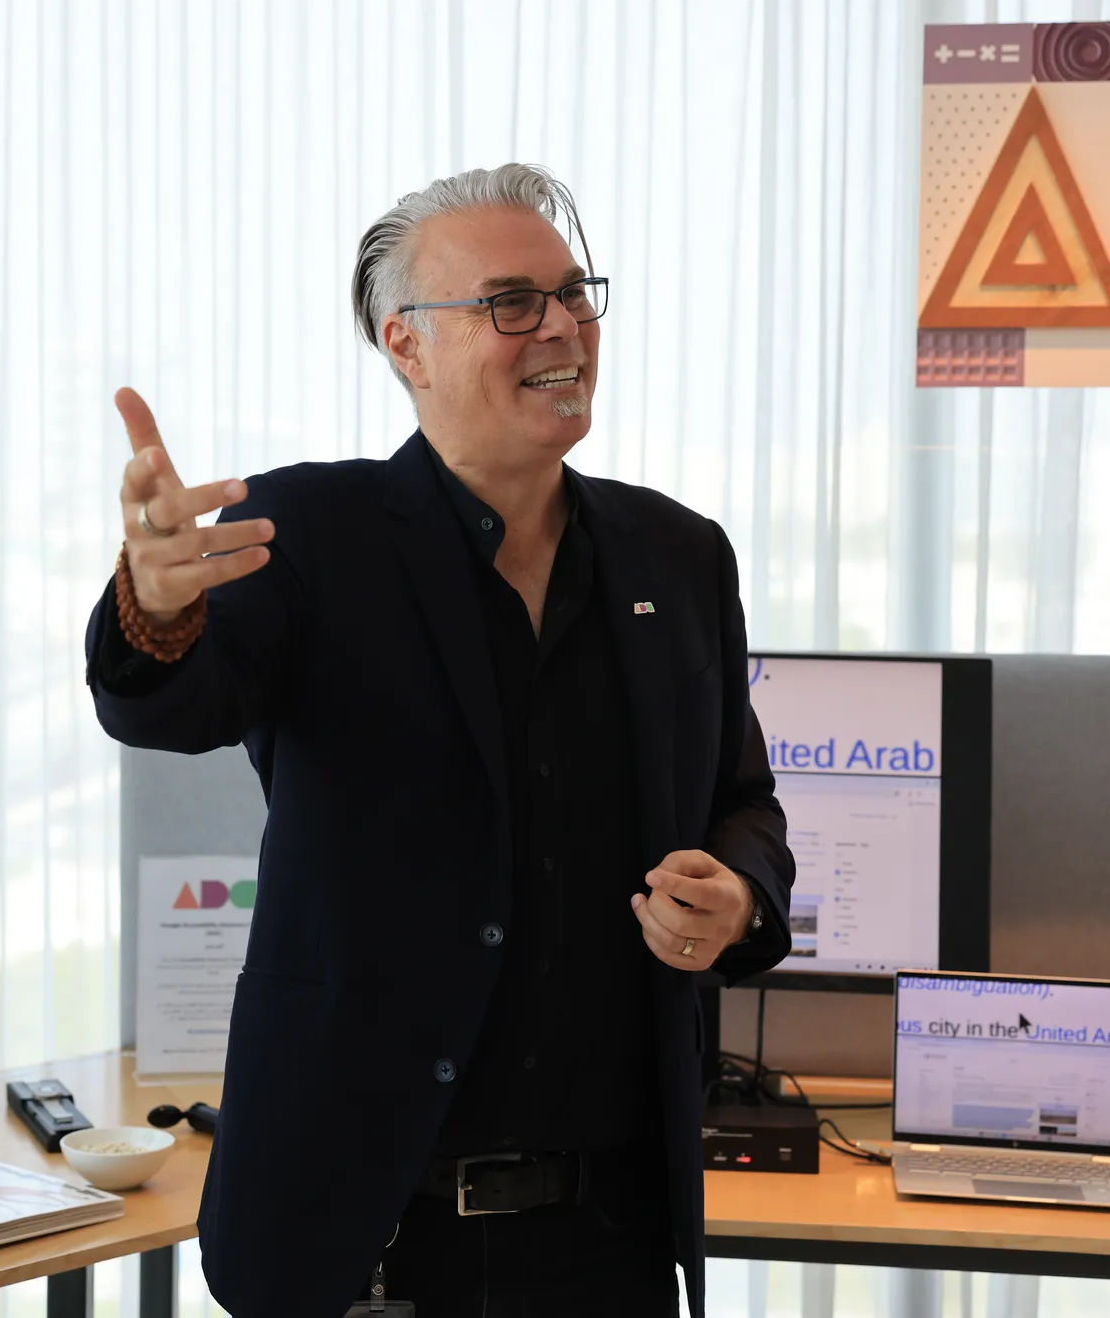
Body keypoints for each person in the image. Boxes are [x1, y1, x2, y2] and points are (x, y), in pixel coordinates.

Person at [85, 164, 792, 1318]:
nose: (560, 326)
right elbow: (172, 709)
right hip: (368, 1238)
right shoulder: (308, 530)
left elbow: (741, 801)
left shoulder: (676, 554)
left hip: (606, 1241)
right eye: (512, 302)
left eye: (574, 294)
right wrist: (154, 609)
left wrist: (740, 896)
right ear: (404, 343)